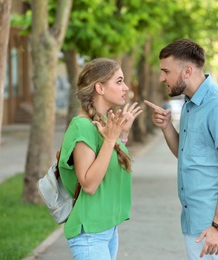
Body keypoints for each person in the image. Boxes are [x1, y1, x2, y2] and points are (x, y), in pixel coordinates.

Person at [144, 38, 218, 259]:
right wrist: (167, 127)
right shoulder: (190, 104)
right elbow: (186, 157)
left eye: (166, 71)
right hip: (195, 224)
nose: (161, 78)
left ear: (187, 71)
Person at [58, 57, 142, 259]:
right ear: (100, 88)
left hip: (107, 229)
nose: (126, 87)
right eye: (119, 81)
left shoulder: (102, 122)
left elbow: (109, 163)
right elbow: (88, 184)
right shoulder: (82, 126)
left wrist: (121, 135)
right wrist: (111, 139)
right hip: (90, 234)